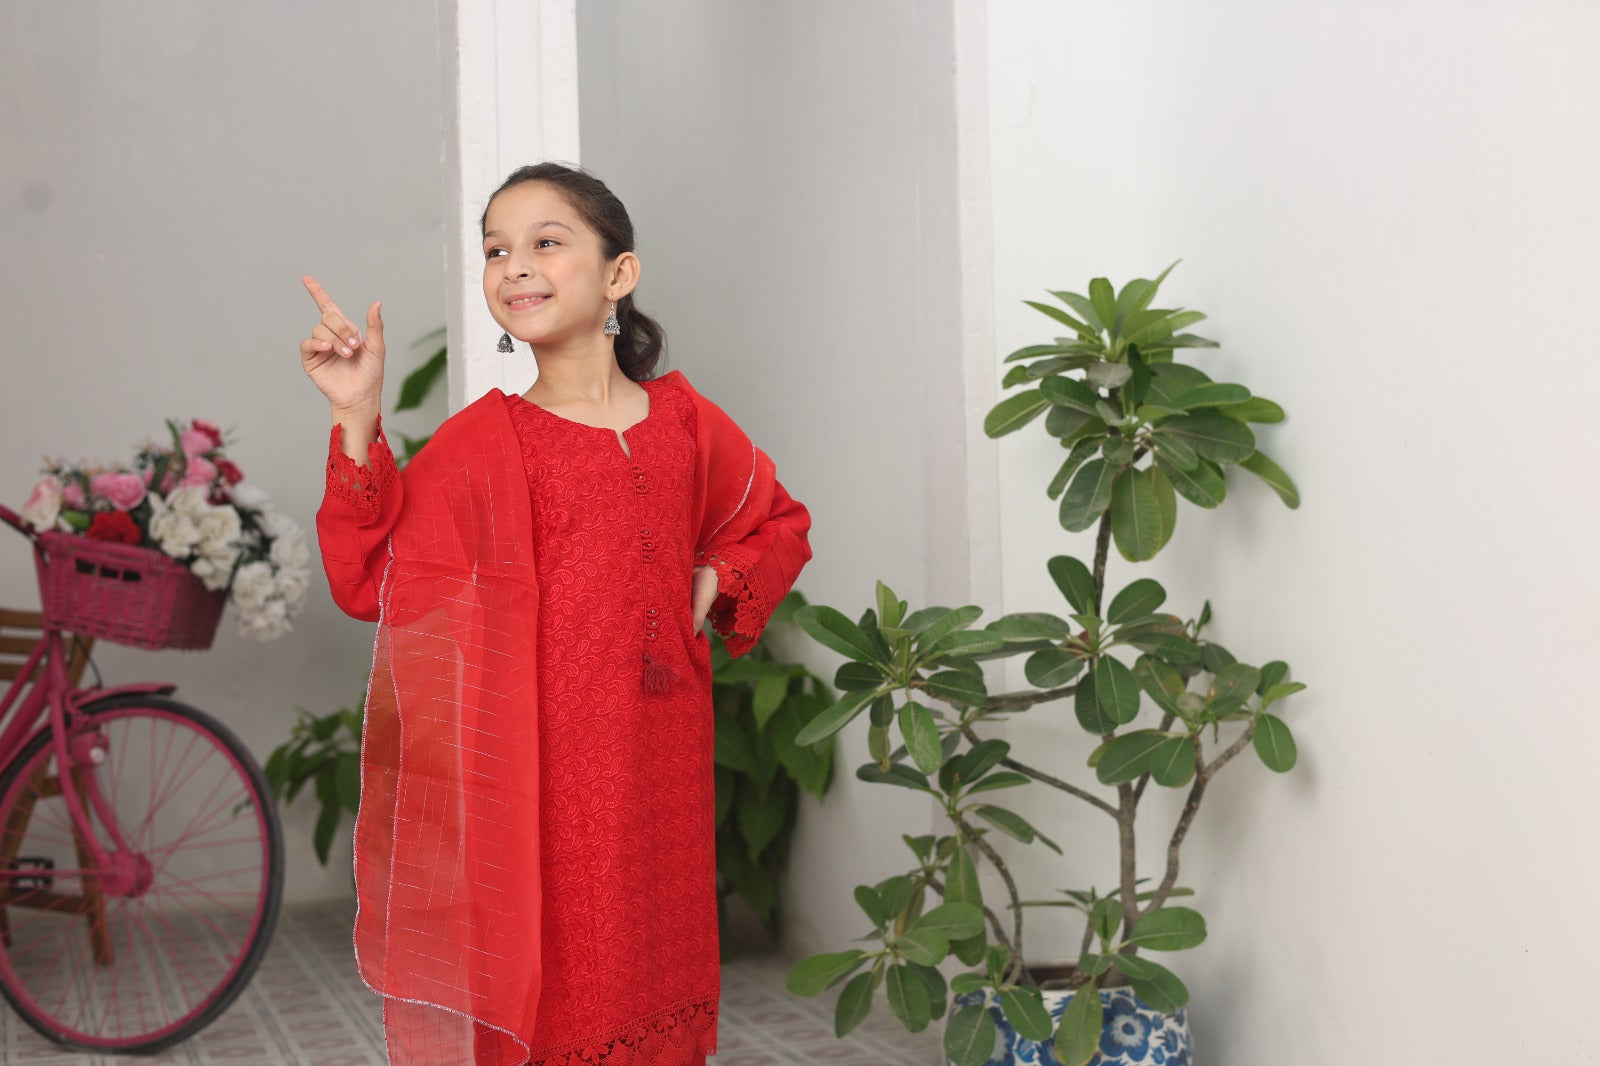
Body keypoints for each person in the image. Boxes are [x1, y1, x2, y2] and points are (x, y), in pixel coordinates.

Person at [300, 161, 813, 1066]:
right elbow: (371, 573)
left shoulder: (686, 421)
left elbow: (773, 521)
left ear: (619, 274)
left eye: (545, 242)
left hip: (661, 770)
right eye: (497, 249)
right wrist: (356, 414)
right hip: (539, 782)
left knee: (660, 986)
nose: (513, 266)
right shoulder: (485, 443)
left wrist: (714, 579)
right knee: (558, 1001)